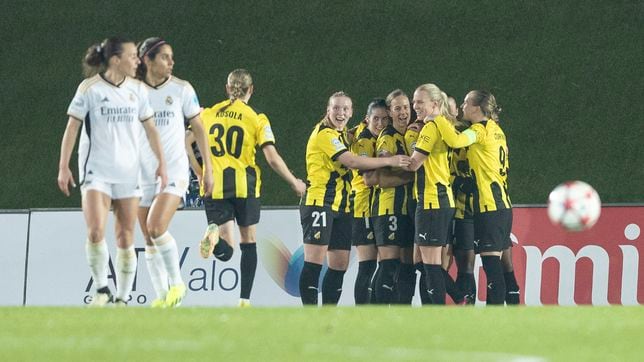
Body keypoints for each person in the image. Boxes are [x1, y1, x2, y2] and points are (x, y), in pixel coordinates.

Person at [57, 37, 167, 306]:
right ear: (115, 60)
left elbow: (151, 129)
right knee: (95, 230)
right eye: (132, 56)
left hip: (129, 173)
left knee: (126, 236)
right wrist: (63, 166)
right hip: (96, 171)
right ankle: (102, 288)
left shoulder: (138, 91)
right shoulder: (90, 89)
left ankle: (122, 297)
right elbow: (72, 127)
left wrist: (161, 163)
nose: (137, 60)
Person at [199, 69, 306, 307]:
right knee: (248, 242)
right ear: (251, 89)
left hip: (214, 186)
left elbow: (187, 142)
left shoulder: (208, 114)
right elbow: (272, 158)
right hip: (244, 187)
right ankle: (244, 300)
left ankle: (214, 239)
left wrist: (200, 171)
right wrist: (293, 181)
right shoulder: (256, 118)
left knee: (227, 250)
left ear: (227, 88)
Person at [299, 91, 410, 306]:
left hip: (343, 205)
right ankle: (310, 319)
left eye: (345, 109)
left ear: (351, 112)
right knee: (314, 263)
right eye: (336, 108)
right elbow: (352, 161)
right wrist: (392, 160)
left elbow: (360, 135)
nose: (340, 113)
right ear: (328, 110)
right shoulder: (325, 134)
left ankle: (328, 316)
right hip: (319, 202)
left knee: (339, 264)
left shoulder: (344, 135)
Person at [135, 37, 214, 307]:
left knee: (156, 227)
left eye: (171, 56)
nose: (171, 62)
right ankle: (163, 298)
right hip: (142, 174)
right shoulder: (132, 92)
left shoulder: (181, 89)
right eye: (165, 57)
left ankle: (177, 284)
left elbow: (199, 129)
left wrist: (207, 170)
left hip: (175, 171)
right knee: (147, 237)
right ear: (147, 60)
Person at [430, 90, 517, 305]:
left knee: (492, 268)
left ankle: (493, 319)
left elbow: (456, 140)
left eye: (466, 102)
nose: (462, 106)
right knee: (499, 267)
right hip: (503, 205)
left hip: (489, 206)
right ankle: (507, 313)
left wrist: (436, 117)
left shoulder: (480, 130)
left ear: (477, 108)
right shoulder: (497, 130)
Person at [402, 83, 457, 305]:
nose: (415, 106)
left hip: (433, 201)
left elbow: (414, 165)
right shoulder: (439, 126)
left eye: (419, 102)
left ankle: (440, 311)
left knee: (431, 264)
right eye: (414, 101)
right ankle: (459, 293)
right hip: (432, 200)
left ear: (434, 104)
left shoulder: (432, 127)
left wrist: (388, 161)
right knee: (419, 260)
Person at [365, 90, 415, 305]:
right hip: (388, 209)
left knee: (407, 266)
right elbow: (381, 179)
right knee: (389, 264)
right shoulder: (387, 137)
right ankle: (376, 315)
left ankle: (402, 314)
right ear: (390, 112)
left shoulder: (411, 135)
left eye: (405, 107)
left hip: (407, 210)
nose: (403, 112)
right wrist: (413, 178)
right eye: (397, 108)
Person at [350, 98, 388, 304]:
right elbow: (368, 177)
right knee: (367, 265)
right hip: (362, 207)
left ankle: (374, 309)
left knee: (382, 264)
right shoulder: (363, 140)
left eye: (384, 119)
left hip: (377, 207)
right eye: (376, 119)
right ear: (367, 120)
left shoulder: (381, 138)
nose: (380, 124)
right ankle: (362, 312)